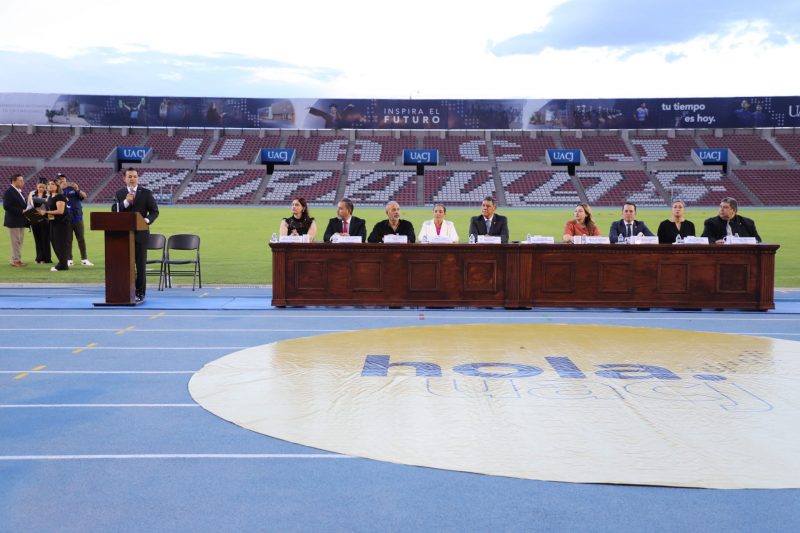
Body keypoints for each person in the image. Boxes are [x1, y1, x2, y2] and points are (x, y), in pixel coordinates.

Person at [113, 168, 159, 302]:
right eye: (129, 177)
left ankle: (140, 293)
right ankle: (126, 291)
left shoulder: (146, 193)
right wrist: (126, 202)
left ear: (138, 178)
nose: (132, 179)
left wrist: (147, 220)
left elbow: (154, 211)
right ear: (124, 179)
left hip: (141, 235)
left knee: (140, 266)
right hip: (124, 235)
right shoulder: (120, 193)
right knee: (125, 265)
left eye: (134, 176)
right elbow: (114, 210)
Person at [57, 173, 93, 266]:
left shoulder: (72, 188)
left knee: (81, 239)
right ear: (57, 181)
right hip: (66, 219)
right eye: (59, 179)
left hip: (77, 218)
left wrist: (77, 189)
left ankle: (84, 259)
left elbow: (84, 195)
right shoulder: (57, 192)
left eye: (63, 178)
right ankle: (69, 259)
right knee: (68, 240)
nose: (62, 180)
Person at [40, 179, 70, 271]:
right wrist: (43, 215)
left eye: (52, 184)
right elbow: (50, 211)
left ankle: (63, 265)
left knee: (60, 244)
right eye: (48, 184)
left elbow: (60, 211)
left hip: (62, 224)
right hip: (53, 222)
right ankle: (62, 263)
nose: (50, 185)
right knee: (54, 243)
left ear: (57, 186)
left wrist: (45, 212)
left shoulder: (60, 196)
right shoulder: (50, 197)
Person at [3, 173, 28, 267]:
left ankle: (17, 259)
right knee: (15, 241)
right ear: (14, 181)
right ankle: (15, 260)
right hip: (13, 221)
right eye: (20, 180)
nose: (23, 182)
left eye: (23, 180)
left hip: (20, 220)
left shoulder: (19, 191)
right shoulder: (9, 192)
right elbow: (6, 206)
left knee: (19, 241)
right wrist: (21, 211)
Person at [27, 180, 52, 263]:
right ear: (36, 185)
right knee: (37, 239)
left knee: (45, 239)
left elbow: (50, 206)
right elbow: (29, 206)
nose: (41, 188)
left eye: (43, 187)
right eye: (39, 187)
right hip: (34, 218)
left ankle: (46, 258)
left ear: (46, 187)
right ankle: (39, 257)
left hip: (45, 219)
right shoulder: (32, 193)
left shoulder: (48, 194)